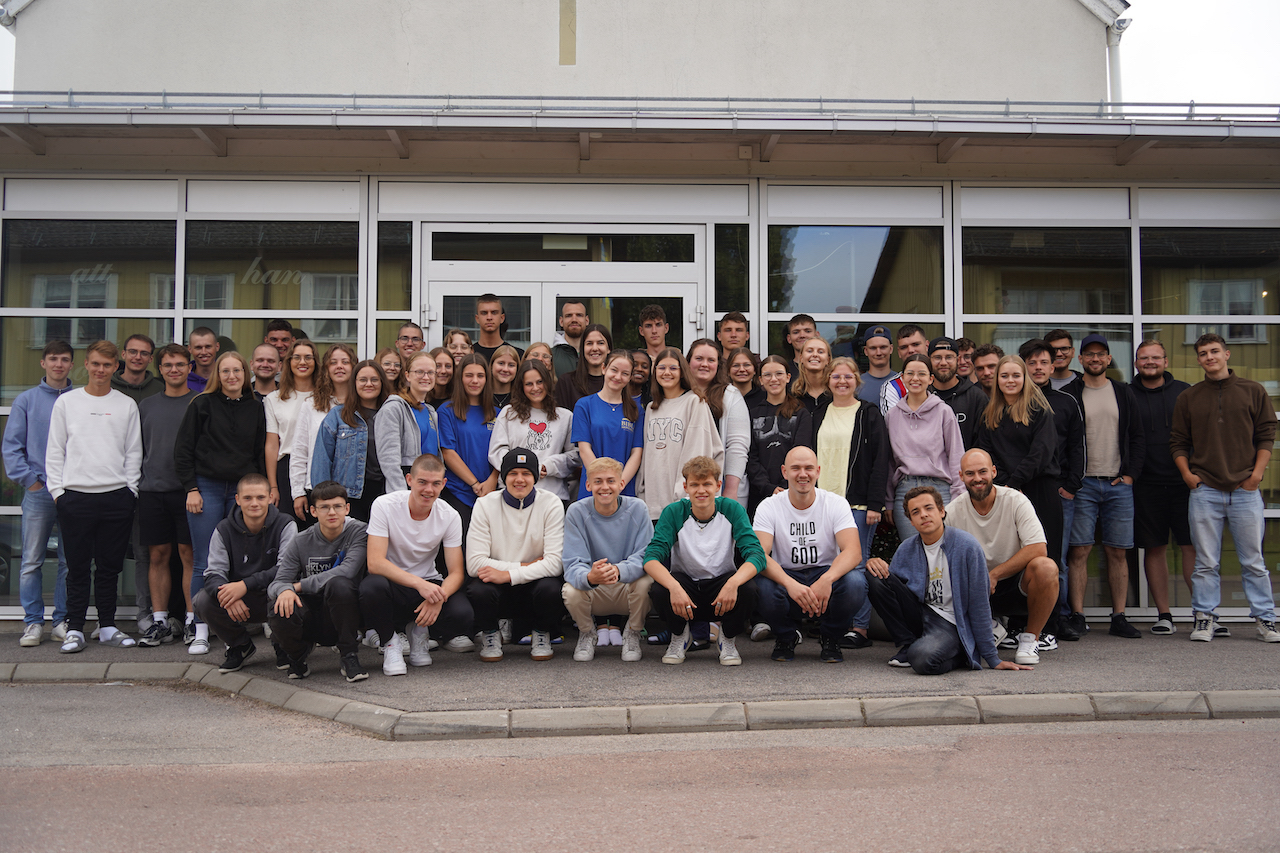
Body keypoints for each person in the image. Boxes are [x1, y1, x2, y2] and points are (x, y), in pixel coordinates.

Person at [1171, 333, 1280, 644]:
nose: (1209, 357)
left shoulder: (1253, 391)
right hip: (1204, 490)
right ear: (1198, 359)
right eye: (1203, 353)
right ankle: (1204, 617)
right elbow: (1178, 442)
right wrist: (1188, 475)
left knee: (1253, 561)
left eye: (1214, 351)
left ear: (1227, 354)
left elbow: (1266, 435)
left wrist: (1256, 476)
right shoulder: (1189, 397)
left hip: (1245, 490)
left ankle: (1265, 618)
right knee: (1206, 562)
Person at [866, 486, 1032, 674]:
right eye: (916, 512)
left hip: (951, 622)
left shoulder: (967, 546)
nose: (923, 515)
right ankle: (908, 643)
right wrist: (873, 563)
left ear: (942, 511)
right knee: (874, 575)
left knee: (921, 659)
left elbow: (979, 603)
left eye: (929, 508)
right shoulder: (906, 549)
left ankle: (962, 653)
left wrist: (992, 658)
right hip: (921, 613)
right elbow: (893, 590)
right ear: (911, 521)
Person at [45, 340, 142, 653]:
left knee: (109, 568)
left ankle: (108, 626)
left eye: (107, 365)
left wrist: (130, 491)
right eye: (96, 364)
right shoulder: (67, 403)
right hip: (75, 498)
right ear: (86, 364)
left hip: (116, 498)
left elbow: (133, 452)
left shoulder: (126, 405)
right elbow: (55, 451)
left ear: (115, 367)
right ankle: (74, 629)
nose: (101, 370)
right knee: (76, 568)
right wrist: (58, 493)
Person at [175, 350, 268, 654]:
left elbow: (258, 452)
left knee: (239, 558)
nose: (231, 376)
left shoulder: (255, 407)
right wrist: (191, 488)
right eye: (225, 371)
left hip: (241, 491)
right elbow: (183, 449)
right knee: (204, 559)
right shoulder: (201, 404)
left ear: (245, 374)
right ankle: (199, 628)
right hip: (207, 487)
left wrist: (260, 490)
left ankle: (231, 628)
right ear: (218, 375)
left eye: (237, 371)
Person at [1061, 334, 1146, 639]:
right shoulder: (1070, 394)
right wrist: (1071, 479)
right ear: (1080, 359)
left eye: (1101, 354)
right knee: (1079, 551)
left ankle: (1119, 616)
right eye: (1089, 354)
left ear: (1109, 359)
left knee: (1117, 552)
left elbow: (1137, 436)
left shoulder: (1124, 392)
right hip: (1083, 484)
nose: (1095, 359)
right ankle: (1078, 615)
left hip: (1118, 484)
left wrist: (1130, 475)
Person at [644, 456, 765, 666]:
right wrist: (674, 587)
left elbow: (756, 555)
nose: (701, 490)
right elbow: (651, 558)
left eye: (707, 484)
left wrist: (733, 583)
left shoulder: (732, 509)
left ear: (718, 486)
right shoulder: (674, 512)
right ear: (686, 487)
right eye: (695, 485)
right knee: (659, 589)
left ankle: (727, 637)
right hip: (686, 588)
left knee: (748, 589)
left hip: (721, 588)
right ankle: (680, 635)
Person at [362, 454, 475, 675]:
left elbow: (456, 573)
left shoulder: (450, 515)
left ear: (444, 484)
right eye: (422, 482)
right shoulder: (384, 505)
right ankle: (390, 642)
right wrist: (419, 584)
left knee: (462, 614)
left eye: (435, 483)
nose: (428, 490)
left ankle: (419, 631)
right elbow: (375, 562)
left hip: (428, 583)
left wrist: (439, 598)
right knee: (371, 588)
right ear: (409, 480)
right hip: (393, 583)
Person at [753, 447, 866, 663]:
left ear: (818, 471)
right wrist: (789, 584)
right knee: (761, 586)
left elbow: (853, 552)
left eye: (809, 468)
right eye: (796, 468)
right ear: (785, 472)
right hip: (787, 575)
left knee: (855, 583)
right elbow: (759, 555)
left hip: (825, 574)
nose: (803, 474)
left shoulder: (835, 503)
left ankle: (831, 637)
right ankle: (786, 636)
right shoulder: (769, 506)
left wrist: (827, 579)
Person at [948, 449, 1060, 665]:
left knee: (1046, 568)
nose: (977, 478)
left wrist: (994, 575)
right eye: (970, 473)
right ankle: (988, 626)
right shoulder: (953, 510)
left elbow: (1038, 548)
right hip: (976, 590)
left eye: (982, 472)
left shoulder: (1016, 500)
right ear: (961, 476)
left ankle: (1031, 639)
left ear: (993, 472)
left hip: (1016, 583)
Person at [975, 354, 1062, 622]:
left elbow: (1041, 453)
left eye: (1016, 375)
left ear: (1025, 378)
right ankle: (1015, 623)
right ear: (997, 380)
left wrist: (1015, 483)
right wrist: (1007, 486)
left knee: (1046, 559)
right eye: (1004, 376)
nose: (1010, 380)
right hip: (1005, 492)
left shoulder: (1040, 410)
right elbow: (987, 455)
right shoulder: (990, 414)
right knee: (1013, 556)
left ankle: (1048, 627)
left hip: (1039, 489)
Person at [3, 340, 74, 647]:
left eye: (64, 359)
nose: (59, 364)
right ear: (43, 363)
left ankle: (61, 622)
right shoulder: (27, 400)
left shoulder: (79, 399)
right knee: (31, 560)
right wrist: (31, 482)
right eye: (53, 359)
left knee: (70, 561)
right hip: (40, 491)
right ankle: (33, 623)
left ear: (72, 365)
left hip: (72, 492)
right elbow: (11, 448)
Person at [812, 356, 886, 648]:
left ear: (857, 380)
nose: (842, 381)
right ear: (828, 380)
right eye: (836, 376)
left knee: (856, 563)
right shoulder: (819, 412)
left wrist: (875, 503)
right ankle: (833, 624)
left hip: (856, 504)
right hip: (822, 502)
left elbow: (881, 459)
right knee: (826, 562)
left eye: (848, 376)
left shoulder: (868, 413)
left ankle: (860, 628)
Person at [467, 449, 566, 662]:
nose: (519, 479)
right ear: (504, 477)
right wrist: (523, 566)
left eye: (526, 473)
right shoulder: (485, 504)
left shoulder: (551, 503)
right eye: (513, 473)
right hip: (500, 585)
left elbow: (555, 563)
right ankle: (491, 633)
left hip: (533, 585)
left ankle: (541, 632)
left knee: (552, 588)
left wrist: (508, 574)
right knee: (478, 589)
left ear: (535, 477)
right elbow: (474, 564)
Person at [193, 473, 296, 672]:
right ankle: (240, 645)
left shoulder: (285, 524)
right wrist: (228, 597)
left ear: (270, 498)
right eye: (247, 498)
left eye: (260, 497)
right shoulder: (223, 529)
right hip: (239, 600)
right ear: (238, 499)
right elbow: (213, 573)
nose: (254, 503)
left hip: (273, 595)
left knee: (290, 593)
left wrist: (244, 585)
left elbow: (286, 569)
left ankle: (283, 645)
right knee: (202, 600)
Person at [1019, 338, 1086, 640]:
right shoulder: (1012, 400)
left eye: (1043, 362)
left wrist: (1071, 485)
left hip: (1054, 491)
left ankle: (1054, 621)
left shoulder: (1066, 402)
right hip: (1019, 490)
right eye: (1032, 362)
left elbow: (1077, 446)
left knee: (1054, 557)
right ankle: (1021, 621)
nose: (1038, 367)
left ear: (1053, 366)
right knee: (1019, 556)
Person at [268, 481, 369, 681]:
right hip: (312, 613)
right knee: (278, 604)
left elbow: (348, 571)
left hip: (346, 611)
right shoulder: (301, 540)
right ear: (313, 511)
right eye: (324, 507)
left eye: (337, 506)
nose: (332, 512)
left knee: (340, 583)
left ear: (347, 508)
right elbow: (277, 583)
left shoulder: (359, 532)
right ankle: (297, 657)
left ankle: (349, 656)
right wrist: (285, 590)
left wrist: (297, 586)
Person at [1130, 339, 1195, 635]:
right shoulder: (1127, 394)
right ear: (1136, 363)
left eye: (1155, 357)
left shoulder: (1185, 392)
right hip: (1146, 485)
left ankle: (1204, 613)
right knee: (1154, 549)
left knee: (1191, 547)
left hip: (1185, 484)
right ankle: (1164, 614)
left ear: (1166, 362)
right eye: (1144, 358)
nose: (1150, 362)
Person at [135, 344, 198, 647]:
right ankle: (159, 620)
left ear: (189, 368)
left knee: (189, 556)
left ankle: (192, 620)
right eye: (168, 365)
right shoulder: (146, 406)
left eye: (180, 364)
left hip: (188, 493)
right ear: (159, 369)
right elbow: (136, 448)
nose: (174, 370)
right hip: (152, 491)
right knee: (157, 556)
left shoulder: (199, 402)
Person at [562, 457, 655, 662]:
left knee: (647, 582)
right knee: (570, 590)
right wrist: (590, 576)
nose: (605, 487)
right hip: (594, 588)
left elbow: (646, 554)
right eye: (598, 481)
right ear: (588, 485)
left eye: (611, 481)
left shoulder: (638, 508)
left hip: (625, 585)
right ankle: (587, 633)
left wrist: (619, 570)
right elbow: (572, 562)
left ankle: (632, 633)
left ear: (621, 483)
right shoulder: (576, 511)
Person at [885, 354, 965, 540]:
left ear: (931, 379)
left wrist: (959, 495)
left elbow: (956, 455)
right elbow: (889, 462)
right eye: (910, 373)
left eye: (921, 374)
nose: (915, 378)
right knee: (912, 549)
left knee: (944, 548)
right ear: (902, 377)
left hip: (940, 490)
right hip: (905, 490)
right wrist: (888, 500)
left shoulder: (943, 411)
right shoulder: (892, 415)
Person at [642, 347, 723, 520]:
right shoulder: (651, 408)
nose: (667, 372)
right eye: (661, 368)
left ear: (682, 372)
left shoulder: (694, 402)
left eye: (673, 368)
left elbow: (697, 452)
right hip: (653, 504)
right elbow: (647, 456)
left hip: (684, 503)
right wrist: (642, 492)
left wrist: (683, 494)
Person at [312, 360, 390, 522]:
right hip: (347, 496)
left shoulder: (392, 415)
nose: (369, 384)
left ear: (382, 383)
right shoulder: (337, 416)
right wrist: (324, 499)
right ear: (354, 383)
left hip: (384, 493)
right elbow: (322, 460)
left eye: (374, 380)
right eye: (363, 380)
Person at [489, 359, 578, 502]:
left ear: (548, 382)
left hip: (551, 496)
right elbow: (496, 451)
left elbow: (574, 456)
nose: (535, 388)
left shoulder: (565, 416)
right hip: (514, 494)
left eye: (540, 382)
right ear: (521, 386)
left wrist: (549, 466)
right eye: (529, 384)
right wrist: (523, 469)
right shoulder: (509, 413)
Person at [289, 343, 354, 524]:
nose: (339, 366)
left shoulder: (362, 405)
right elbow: (299, 451)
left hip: (353, 492)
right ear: (326, 368)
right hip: (317, 489)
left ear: (353, 367)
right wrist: (298, 492)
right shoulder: (311, 405)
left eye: (345, 362)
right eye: (333, 362)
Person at [438, 352, 499, 531]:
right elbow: (447, 452)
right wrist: (475, 484)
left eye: (480, 375)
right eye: (469, 375)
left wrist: (492, 481)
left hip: (491, 493)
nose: (475, 381)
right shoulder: (446, 411)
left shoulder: (498, 413)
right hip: (458, 493)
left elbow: (503, 451)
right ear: (460, 378)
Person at [745, 354, 813, 515]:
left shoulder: (801, 413)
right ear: (761, 380)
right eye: (767, 375)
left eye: (779, 374)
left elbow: (800, 452)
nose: (773, 379)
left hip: (793, 492)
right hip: (760, 494)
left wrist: (785, 486)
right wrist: (768, 488)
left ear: (788, 377)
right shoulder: (752, 414)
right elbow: (750, 456)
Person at [572, 349, 644, 501]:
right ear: (604, 368)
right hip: (593, 488)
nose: (618, 377)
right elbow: (584, 450)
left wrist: (618, 484)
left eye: (625, 373)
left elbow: (637, 453)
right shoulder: (584, 405)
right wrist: (602, 483)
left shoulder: (636, 410)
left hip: (624, 489)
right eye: (614, 370)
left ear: (630, 377)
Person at [687, 338, 751, 507]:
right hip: (684, 487)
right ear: (688, 362)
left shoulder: (730, 395)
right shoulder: (679, 395)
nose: (704, 364)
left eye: (711, 360)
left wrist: (730, 489)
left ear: (718, 365)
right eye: (699, 358)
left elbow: (737, 446)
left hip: (720, 488)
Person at [264, 339, 317, 527]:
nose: (302, 362)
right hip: (286, 469)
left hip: (318, 466)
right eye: (297, 357)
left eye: (308, 357)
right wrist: (273, 486)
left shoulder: (326, 398)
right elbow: (272, 445)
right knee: (289, 527)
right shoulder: (274, 399)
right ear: (288, 362)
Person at [377, 351, 441, 495]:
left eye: (430, 372)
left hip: (429, 485)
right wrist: (401, 494)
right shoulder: (393, 408)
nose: (426, 377)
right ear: (407, 375)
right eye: (419, 372)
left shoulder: (431, 411)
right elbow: (388, 459)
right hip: (405, 485)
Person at [929, 336, 988, 449]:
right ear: (929, 360)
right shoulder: (922, 396)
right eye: (937, 358)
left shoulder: (976, 397)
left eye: (949, 357)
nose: (943, 363)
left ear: (957, 359)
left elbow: (983, 443)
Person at [555, 323, 611, 412]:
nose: (595, 348)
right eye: (589, 343)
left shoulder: (616, 382)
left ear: (608, 349)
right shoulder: (566, 382)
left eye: (600, 343)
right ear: (582, 348)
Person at [878, 323, 930, 415]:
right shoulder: (893, 386)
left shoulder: (941, 378)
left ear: (927, 346)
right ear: (899, 352)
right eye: (904, 347)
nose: (910, 350)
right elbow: (894, 422)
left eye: (916, 344)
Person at [472, 294, 525, 363]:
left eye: (494, 313)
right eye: (484, 313)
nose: (489, 317)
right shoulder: (469, 353)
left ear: (502, 318)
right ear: (477, 318)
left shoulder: (517, 355)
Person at [111, 333, 163, 402]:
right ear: (123, 354)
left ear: (150, 358)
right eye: (133, 352)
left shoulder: (160, 390)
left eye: (144, 353)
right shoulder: (108, 387)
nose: (138, 357)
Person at [790, 337, 832, 414]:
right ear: (801, 358)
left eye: (820, 352)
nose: (815, 354)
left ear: (827, 360)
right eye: (809, 351)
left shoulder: (836, 394)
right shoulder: (791, 395)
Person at [857, 325, 894, 406]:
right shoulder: (857, 383)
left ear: (891, 349)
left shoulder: (902, 381)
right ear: (866, 351)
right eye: (873, 348)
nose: (878, 353)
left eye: (883, 347)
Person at [552, 300, 589, 377]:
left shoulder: (598, 354)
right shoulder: (550, 356)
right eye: (569, 316)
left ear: (586, 320)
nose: (574, 320)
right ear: (561, 321)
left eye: (579, 315)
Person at [783, 314, 817, 384]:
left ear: (817, 335)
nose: (802, 335)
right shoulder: (783, 371)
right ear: (789, 339)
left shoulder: (829, 370)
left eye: (808, 331)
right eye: (796, 332)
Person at [186, 326, 220, 393]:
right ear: (190, 349)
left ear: (217, 346)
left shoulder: (227, 377)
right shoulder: (183, 379)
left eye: (208, 347)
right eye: (198, 347)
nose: (203, 352)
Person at [488, 344, 521, 410]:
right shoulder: (480, 397)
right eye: (501, 363)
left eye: (511, 365)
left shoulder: (522, 399)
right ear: (491, 365)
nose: (505, 369)